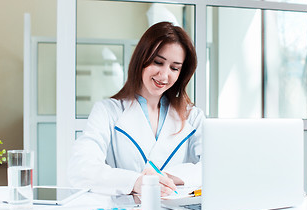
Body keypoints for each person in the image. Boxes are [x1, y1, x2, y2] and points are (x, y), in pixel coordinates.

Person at [68, 22, 205, 197]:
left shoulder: (192, 116)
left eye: (174, 68)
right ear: (141, 58)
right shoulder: (108, 111)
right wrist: (137, 182)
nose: (164, 75)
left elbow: (216, 165)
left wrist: (169, 177)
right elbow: (81, 169)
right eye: (158, 62)